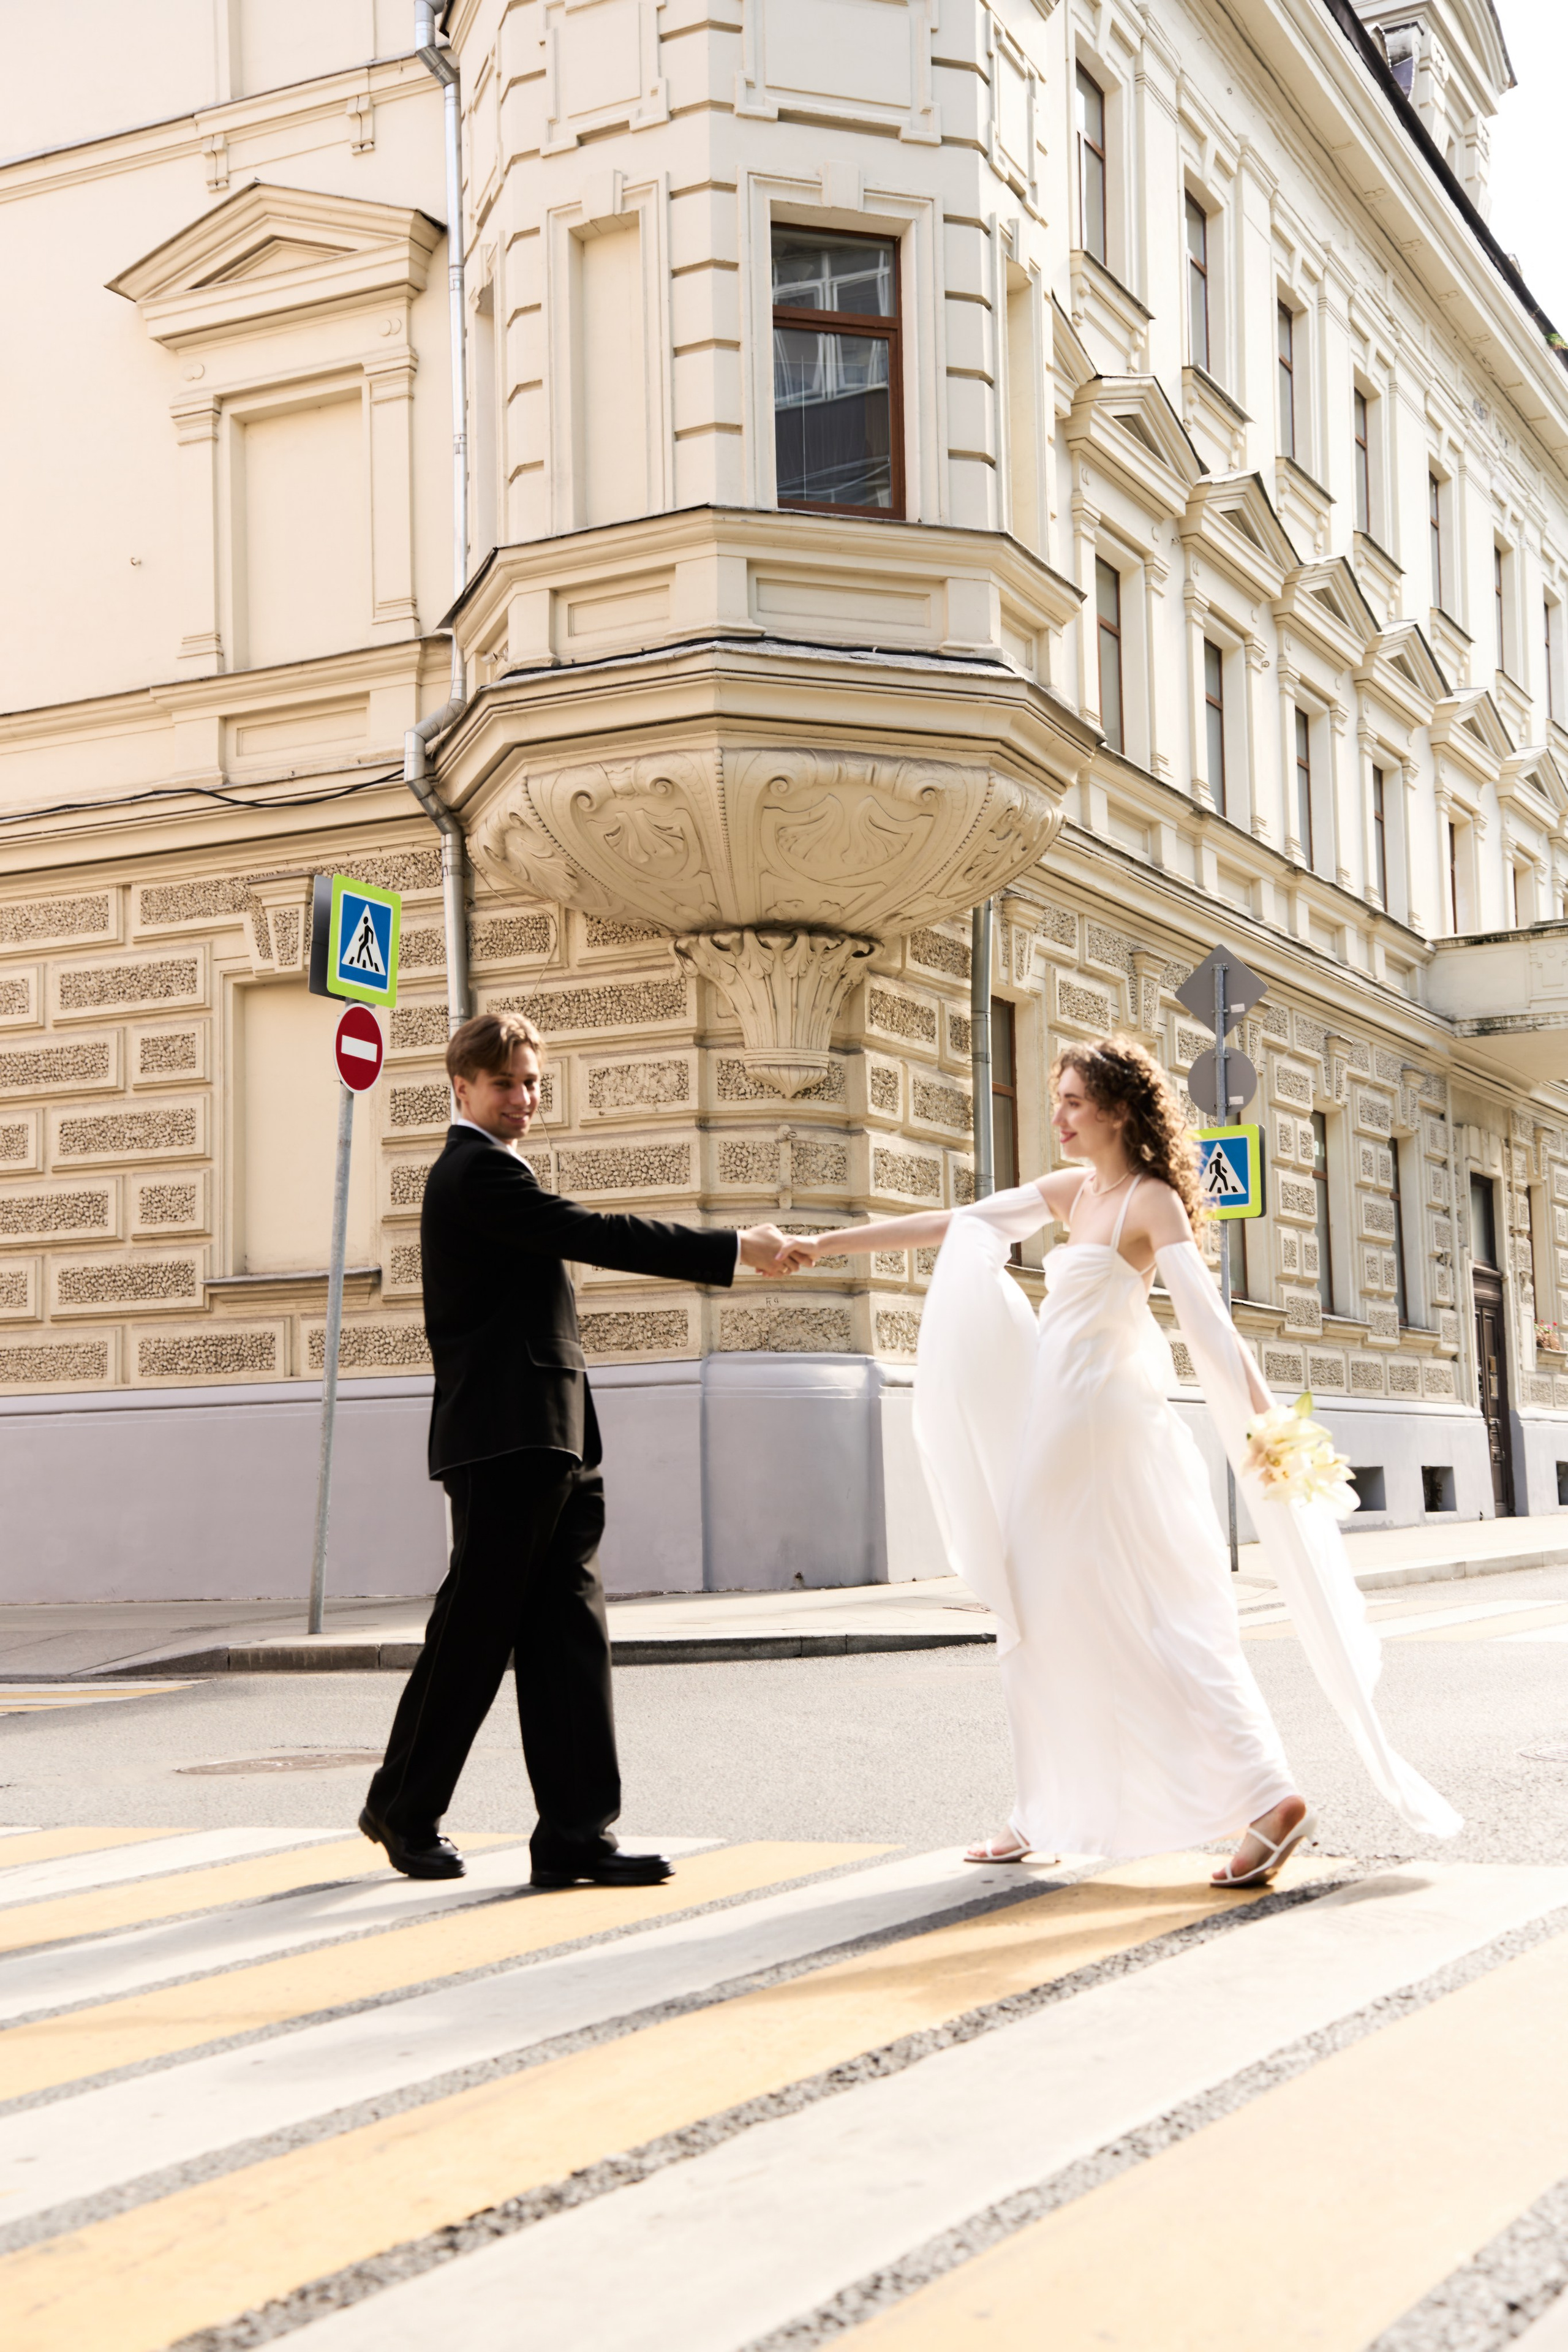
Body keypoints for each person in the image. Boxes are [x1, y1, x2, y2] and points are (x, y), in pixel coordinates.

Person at [778, 1034, 1459, 1884]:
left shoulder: (1149, 1202)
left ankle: (1259, 1796)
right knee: (1069, 1613)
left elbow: (1209, 1322)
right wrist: (821, 1245)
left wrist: (1268, 1431)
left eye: (1071, 1100)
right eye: (1057, 1098)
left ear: (1119, 1110)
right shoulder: (1078, 1193)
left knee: (1123, 1613)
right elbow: (961, 1227)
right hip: (1061, 1424)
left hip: (1096, 1434)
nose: (1056, 1115)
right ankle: (1073, 1804)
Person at [361, 1009, 791, 1888]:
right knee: (475, 1634)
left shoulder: (495, 1169)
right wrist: (735, 1248)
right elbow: (596, 1233)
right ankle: (402, 1809)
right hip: (503, 1442)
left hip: (552, 1436)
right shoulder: (474, 1174)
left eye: (532, 1083)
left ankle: (574, 1835)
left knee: (568, 1636)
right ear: (461, 1087)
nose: (523, 1098)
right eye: (505, 1084)